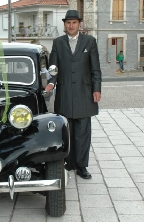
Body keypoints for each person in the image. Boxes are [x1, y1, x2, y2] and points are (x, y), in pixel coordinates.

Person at [44, 10, 102, 179]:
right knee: (66, 131)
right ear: (65, 25)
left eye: (74, 22)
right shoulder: (58, 42)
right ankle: (69, 163)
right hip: (65, 93)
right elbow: (53, 68)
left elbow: (95, 68)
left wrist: (96, 88)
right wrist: (51, 83)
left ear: (79, 24)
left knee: (83, 132)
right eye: (68, 23)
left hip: (85, 94)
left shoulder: (90, 41)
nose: (71, 25)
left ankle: (82, 166)